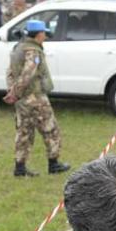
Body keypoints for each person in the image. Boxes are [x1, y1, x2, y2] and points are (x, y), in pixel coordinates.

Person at [5, 20, 69, 178]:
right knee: (51, 129)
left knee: (24, 132)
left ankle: (20, 168)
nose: (45, 36)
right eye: (44, 33)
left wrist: (12, 91)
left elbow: (10, 72)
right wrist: (16, 92)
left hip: (22, 100)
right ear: (39, 34)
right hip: (35, 98)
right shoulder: (33, 51)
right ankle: (54, 164)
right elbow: (28, 74)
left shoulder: (18, 48)